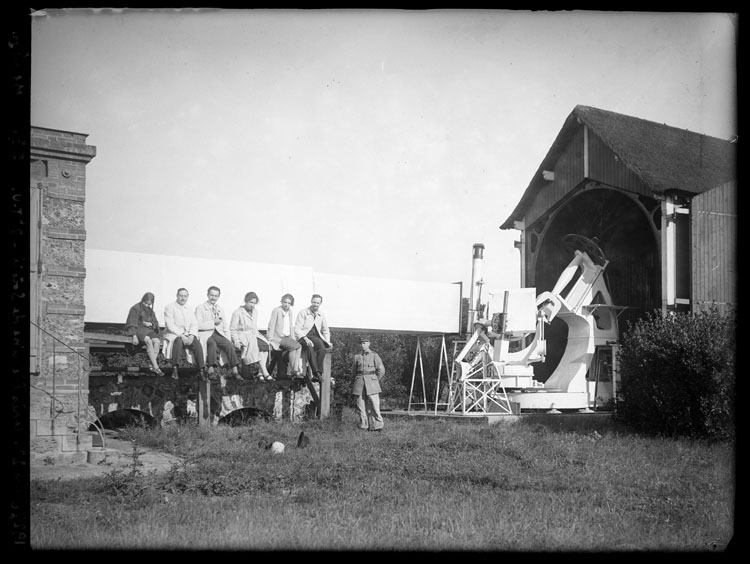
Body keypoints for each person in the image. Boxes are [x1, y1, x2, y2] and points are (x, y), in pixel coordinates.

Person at [194, 286, 243, 381]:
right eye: (211, 295)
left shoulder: (220, 309)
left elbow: (225, 327)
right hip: (206, 333)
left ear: (218, 297)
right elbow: (198, 325)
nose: (213, 298)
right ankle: (211, 369)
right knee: (212, 343)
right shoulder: (200, 308)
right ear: (207, 295)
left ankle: (235, 370)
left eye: (216, 296)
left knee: (229, 345)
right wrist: (213, 322)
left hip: (218, 334)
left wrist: (228, 338)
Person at [163, 288, 206, 380]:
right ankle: (175, 369)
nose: (183, 298)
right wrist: (182, 335)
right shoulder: (169, 307)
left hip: (188, 334)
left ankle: (201, 370)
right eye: (181, 296)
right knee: (178, 342)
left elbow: (194, 323)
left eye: (185, 296)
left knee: (197, 344)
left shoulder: (189, 308)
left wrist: (192, 335)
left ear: (188, 297)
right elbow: (170, 325)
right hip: (174, 334)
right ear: (177, 296)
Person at [230, 292, 272, 381]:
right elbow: (233, 329)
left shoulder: (255, 312)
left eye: (254, 303)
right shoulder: (237, 312)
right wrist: (236, 341)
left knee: (265, 346)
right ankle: (265, 373)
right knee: (258, 346)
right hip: (242, 336)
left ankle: (260, 373)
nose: (252, 305)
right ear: (245, 301)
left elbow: (254, 327)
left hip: (253, 334)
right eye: (250, 302)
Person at [351, 335, 386, 432]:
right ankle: (363, 425)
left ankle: (377, 426)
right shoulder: (356, 356)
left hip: (372, 383)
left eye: (364, 343)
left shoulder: (374, 355)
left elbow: (381, 370)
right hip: (359, 383)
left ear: (369, 344)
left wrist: (375, 380)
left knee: (374, 405)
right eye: (361, 343)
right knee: (361, 406)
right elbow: (353, 372)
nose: (362, 345)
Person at [125, 292, 164, 376]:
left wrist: (151, 324)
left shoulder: (151, 311)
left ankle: (151, 364)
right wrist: (134, 335)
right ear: (143, 300)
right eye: (145, 303)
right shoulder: (135, 308)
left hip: (148, 330)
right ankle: (156, 367)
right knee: (148, 341)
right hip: (138, 329)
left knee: (157, 341)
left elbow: (156, 323)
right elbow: (132, 322)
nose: (146, 305)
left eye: (149, 304)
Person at [294, 293, 331, 382]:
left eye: (317, 303)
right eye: (314, 302)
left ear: (320, 304)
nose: (315, 305)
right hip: (304, 337)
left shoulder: (321, 315)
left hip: (315, 337)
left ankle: (319, 373)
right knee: (310, 346)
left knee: (322, 348)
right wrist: (305, 338)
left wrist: (328, 342)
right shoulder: (303, 312)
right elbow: (297, 328)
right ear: (311, 301)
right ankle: (316, 372)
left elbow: (325, 330)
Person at [266, 293, 302, 378]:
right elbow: (271, 324)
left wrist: (293, 338)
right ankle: (295, 370)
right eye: (285, 302)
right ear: (282, 302)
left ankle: (294, 370)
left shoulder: (290, 312)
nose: (286, 305)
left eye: (289, 303)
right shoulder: (277, 310)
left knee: (296, 347)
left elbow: (290, 326)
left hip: (287, 337)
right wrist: (270, 338)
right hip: (278, 338)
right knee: (297, 347)